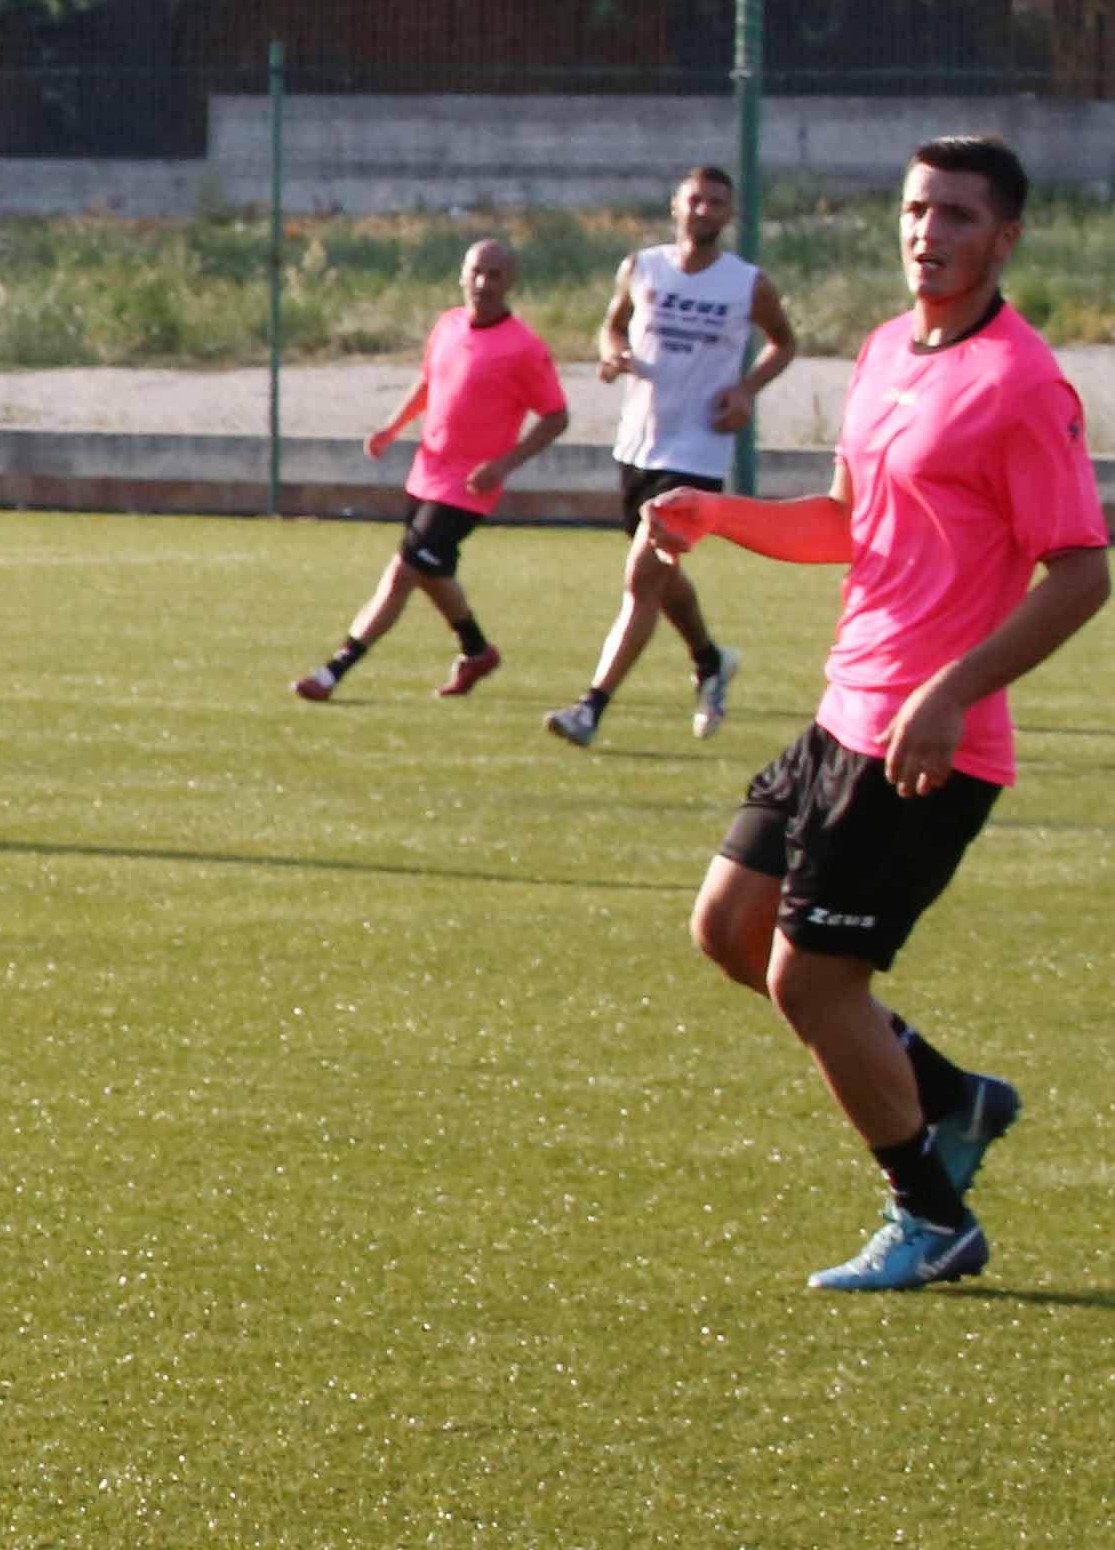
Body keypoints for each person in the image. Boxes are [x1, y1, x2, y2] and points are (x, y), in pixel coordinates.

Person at [646, 135, 1107, 1292]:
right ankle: (954, 1099)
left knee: (812, 980)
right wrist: (720, 513)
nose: (927, 233)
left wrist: (953, 692)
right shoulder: (887, 349)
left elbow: (1084, 573)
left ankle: (930, 1212)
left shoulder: (1021, 384)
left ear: (1005, 238)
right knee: (729, 930)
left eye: (956, 216)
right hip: (840, 716)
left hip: (926, 747)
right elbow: (852, 524)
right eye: (915, 210)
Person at [549, 164, 796, 749]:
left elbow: (785, 343)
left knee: (641, 577)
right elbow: (611, 328)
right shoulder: (643, 268)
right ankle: (711, 661)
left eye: (717, 202)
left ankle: (591, 707)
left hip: (698, 452)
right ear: (676, 206)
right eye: (695, 200)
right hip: (639, 442)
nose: (704, 211)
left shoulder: (747, 283)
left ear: (729, 214)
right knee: (660, 575)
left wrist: (745, 391)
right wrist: (612, 355)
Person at [298, 238, 565, 703]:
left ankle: (335, 670)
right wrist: (391, 428)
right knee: (431, 571)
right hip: (428, 471)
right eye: (476, 272)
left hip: (468, 485)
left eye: (495, 275)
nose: (483, 283)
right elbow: (429, 383)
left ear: (511, 282)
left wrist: (503, 465)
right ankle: (477, 651)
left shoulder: (524, 348)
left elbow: (556, 417)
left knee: (406, 570)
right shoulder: (448, 324)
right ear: (462, 274)